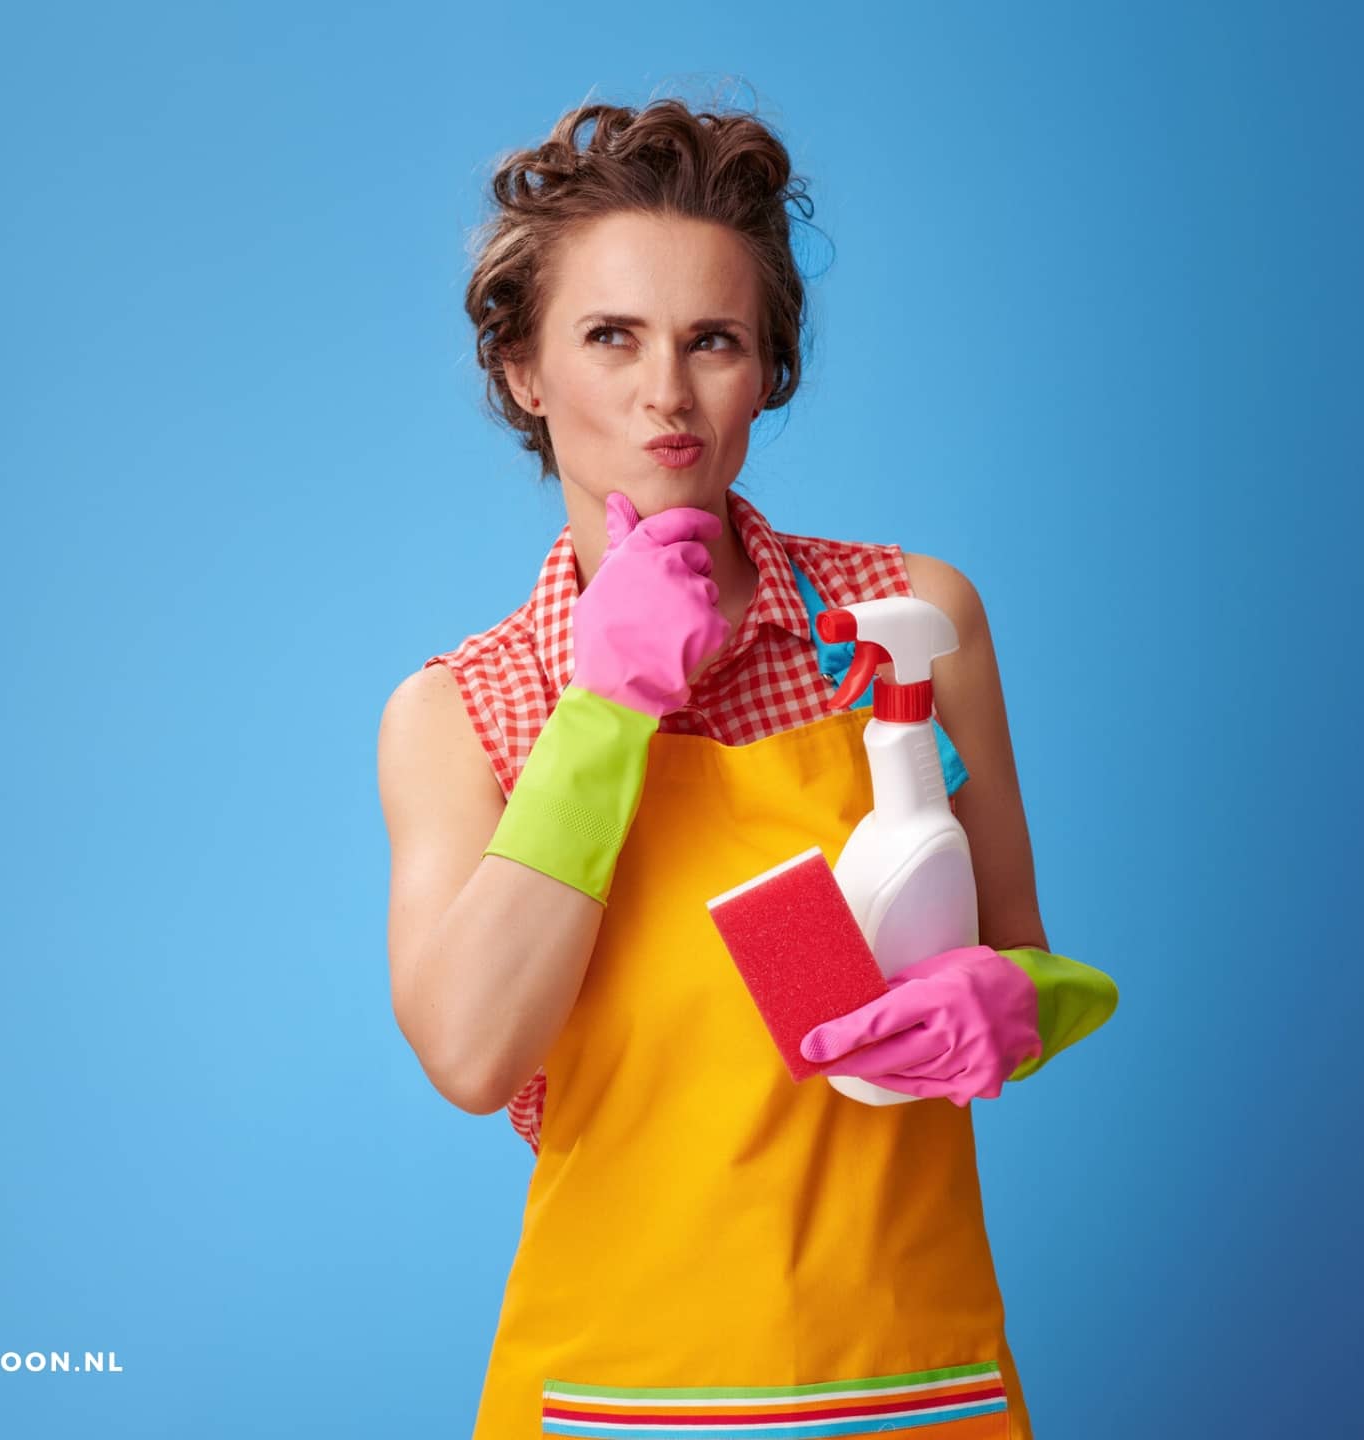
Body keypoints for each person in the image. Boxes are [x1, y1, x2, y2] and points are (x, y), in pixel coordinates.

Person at [376, 97, 1119, 1440]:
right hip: (607, 1396)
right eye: (611, 337)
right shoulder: (463, 708)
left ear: (768, 368)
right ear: (523, 373)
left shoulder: (908, 618)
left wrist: (1021, 1008)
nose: (666, 394)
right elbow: (476, 1053)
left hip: (909, 1382)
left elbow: (1026, 954)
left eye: (712, 340)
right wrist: (607, 706)